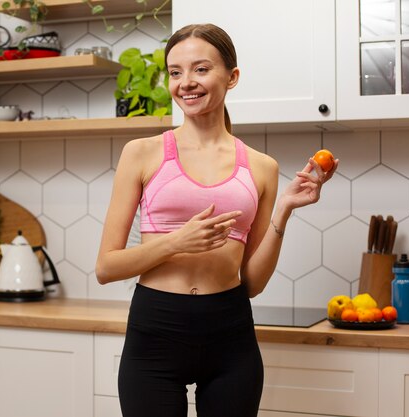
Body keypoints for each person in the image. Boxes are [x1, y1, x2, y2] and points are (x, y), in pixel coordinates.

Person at [95, 23, 338, 417]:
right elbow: (106, 267)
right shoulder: (140, 153)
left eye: (201, 69)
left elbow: (253, 283)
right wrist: (176, 241)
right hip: (155, 335)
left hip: (231, 337)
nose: (186, 83)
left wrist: (284, 210)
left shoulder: (261, 167)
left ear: (232, 76)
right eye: (175, 72)